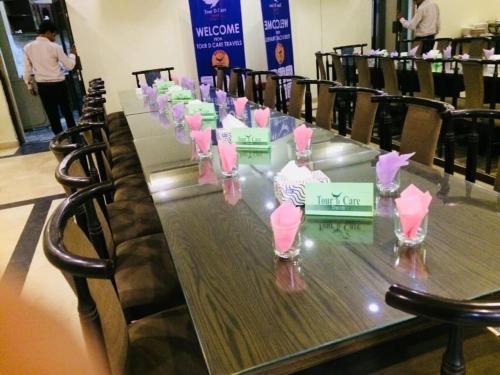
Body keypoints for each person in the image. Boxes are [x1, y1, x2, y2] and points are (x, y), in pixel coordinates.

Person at [23, 20, 77, 135]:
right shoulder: (55, 47)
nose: (54, 37)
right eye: (53, 35)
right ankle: (75, 138)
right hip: (59, 85)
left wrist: (29, 85)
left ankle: (60, 142)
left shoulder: (28, 47)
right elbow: (70, 66)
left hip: (43, 87)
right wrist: (72, 54)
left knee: (52, 116)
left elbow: (27, 70)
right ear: (47, 32)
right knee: (67, 112)